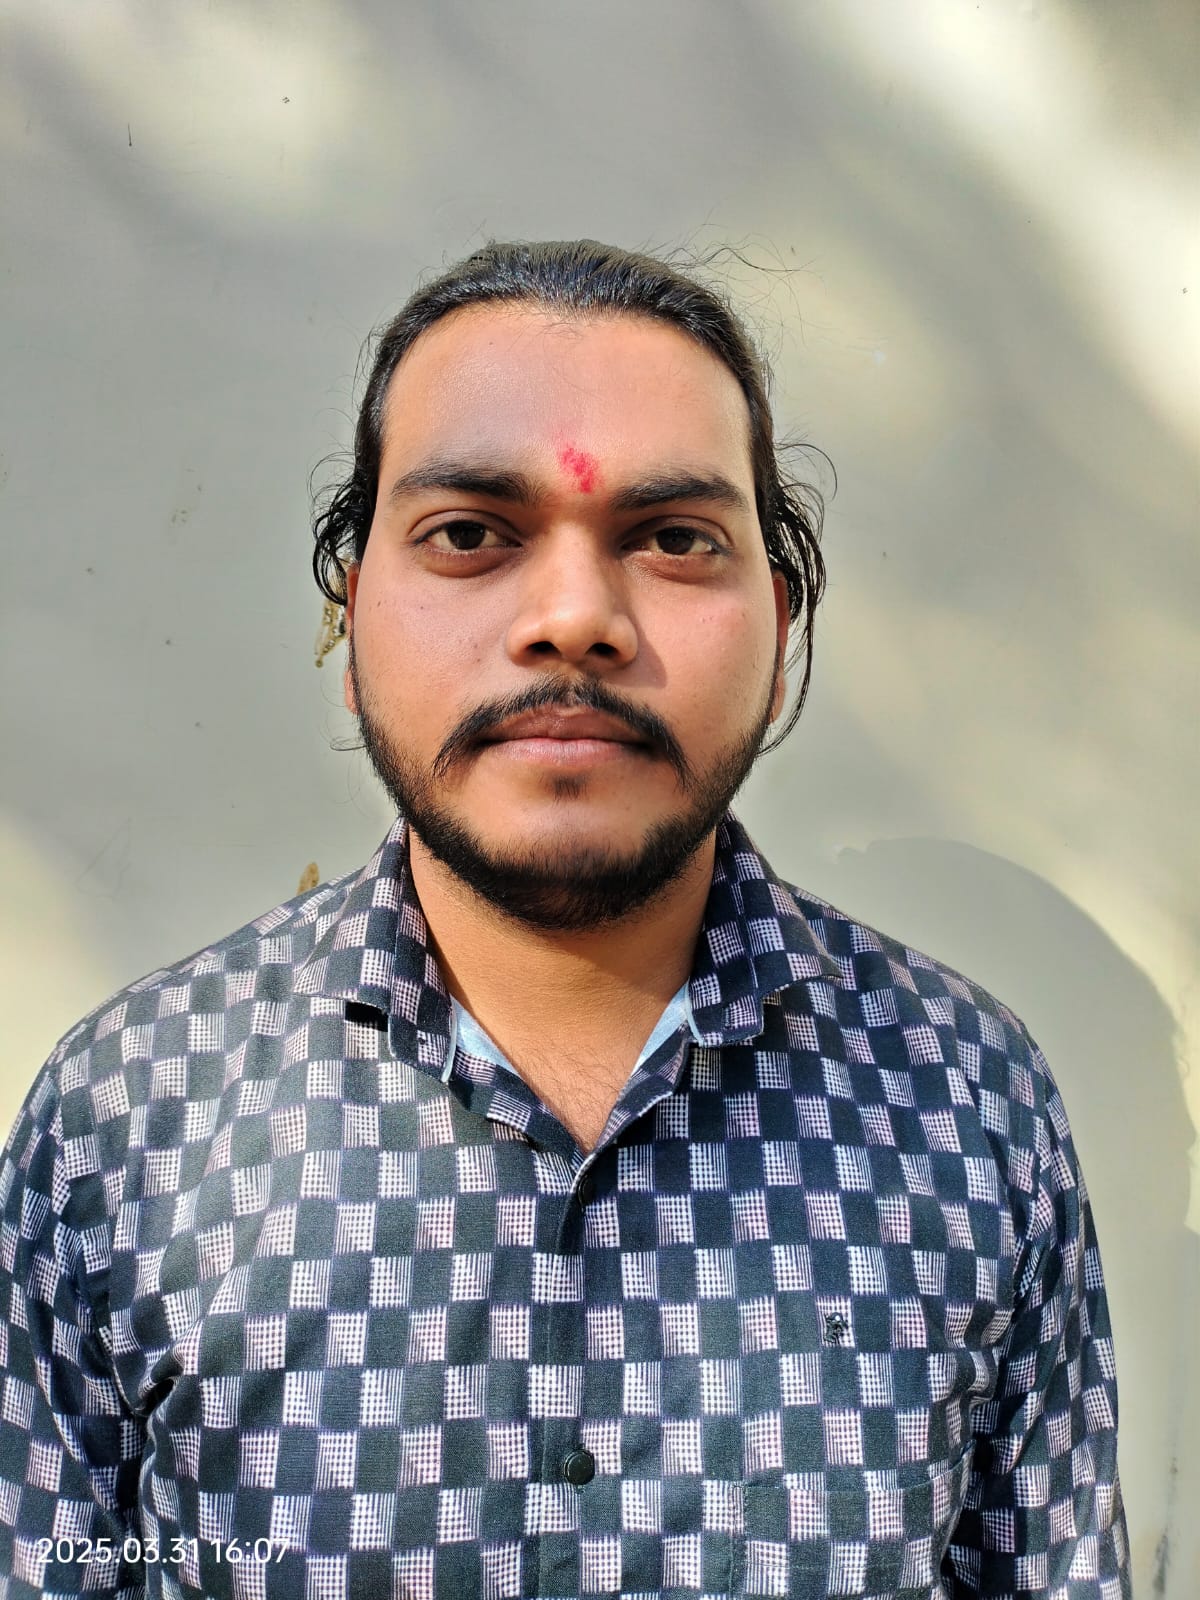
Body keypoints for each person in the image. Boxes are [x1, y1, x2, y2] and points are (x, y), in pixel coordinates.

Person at [0, 240, 1129, 1600]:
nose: (576, 619)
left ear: (780, 630)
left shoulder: (965, 1101)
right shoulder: (126, 1120)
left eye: (675, 540)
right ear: (349, 616)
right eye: (470, 534)